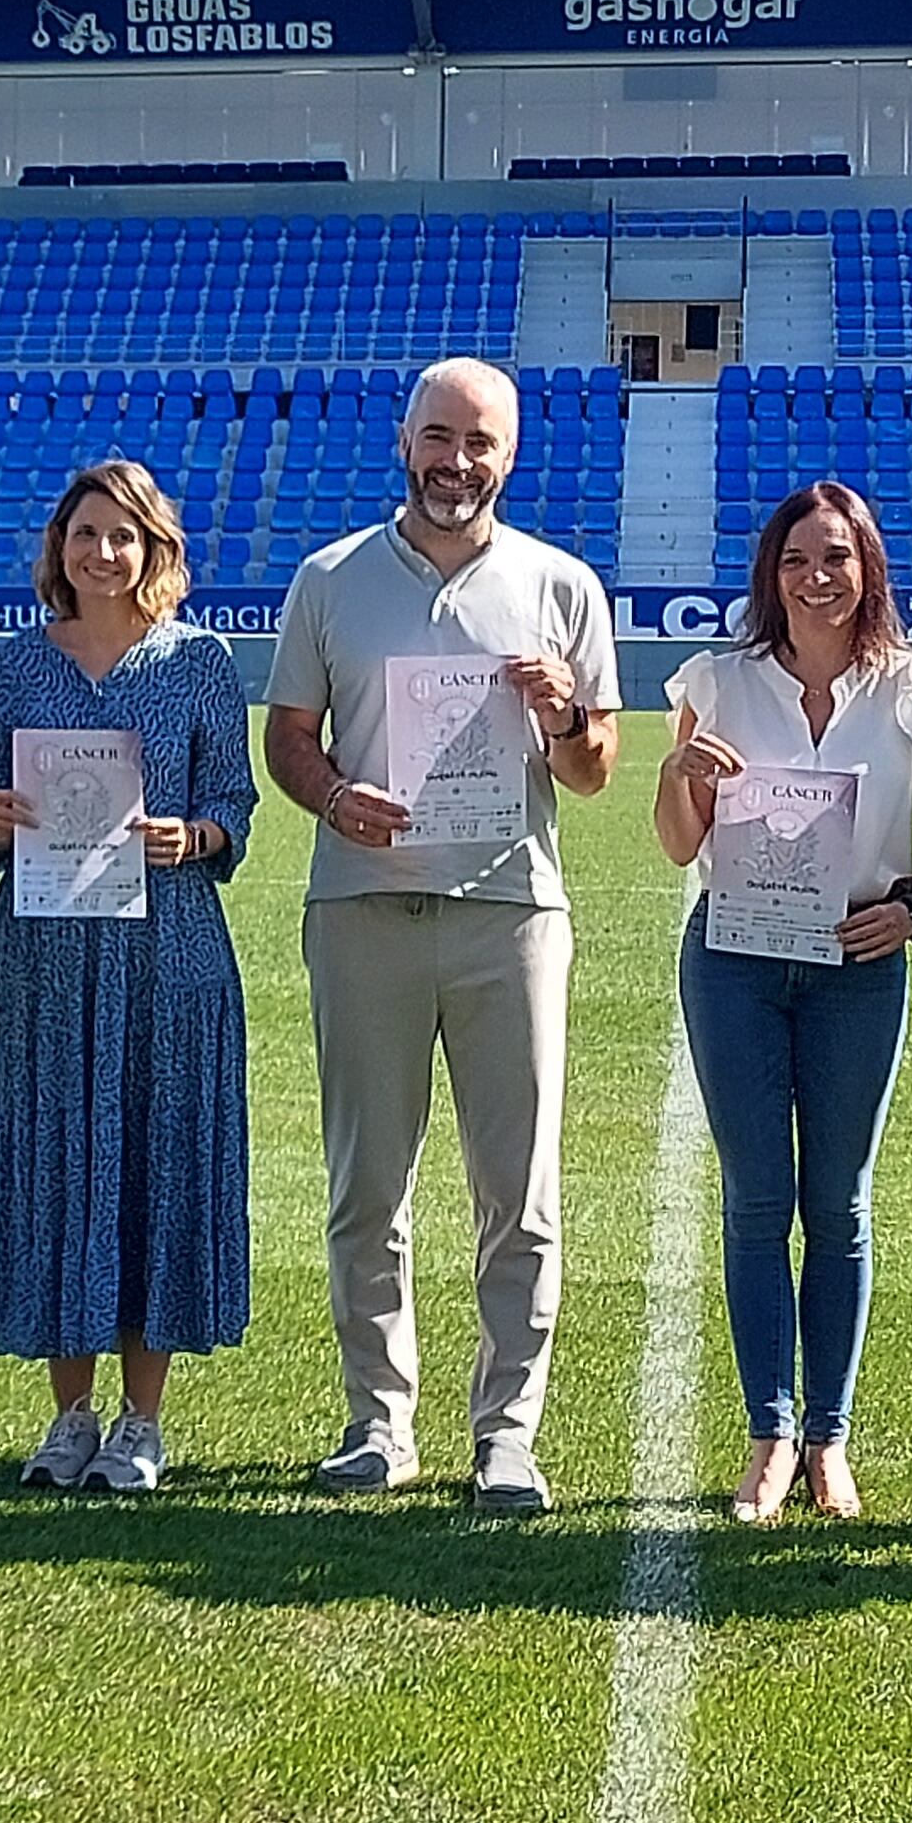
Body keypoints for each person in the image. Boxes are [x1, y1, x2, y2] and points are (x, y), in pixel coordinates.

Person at [261, 356, 621, 1513]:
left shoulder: (561, 585)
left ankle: (506, 1434)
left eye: (479, 444)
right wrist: (329, 798)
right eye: (438, 438)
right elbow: (289, 738)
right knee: (368, 1185)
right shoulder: (329, 579)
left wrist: (563, 713)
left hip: (508, 912)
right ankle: (379, 1424)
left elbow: (596, 771)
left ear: (510, 456)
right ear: (403, 440)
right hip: (360, 904)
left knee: (517, 1194)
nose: (455, 462)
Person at [0, 460, 255, 1494]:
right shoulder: (20, 665)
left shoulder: (198, 662)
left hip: (168, 952)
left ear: (155, 548)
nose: (102, 553)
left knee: (150, 1168)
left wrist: (193, 833)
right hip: (42, 955)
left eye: (123, 536)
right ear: (58, 548)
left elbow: (234, 806)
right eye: (84, 534)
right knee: (52, 1169)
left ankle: (141, 1423)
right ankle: (67, 1417)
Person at [654, 481, 912, 1524]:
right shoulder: (717, 678)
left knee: (837, 1206)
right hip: (735, 959)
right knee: (755, 1203)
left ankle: (829, 1439)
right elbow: (675, 841)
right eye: (796, 558)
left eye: (836, 556)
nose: (816, 576)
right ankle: (769, 1433)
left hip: (857, 963)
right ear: (769, 572)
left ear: (867, 567)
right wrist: (681, 773)